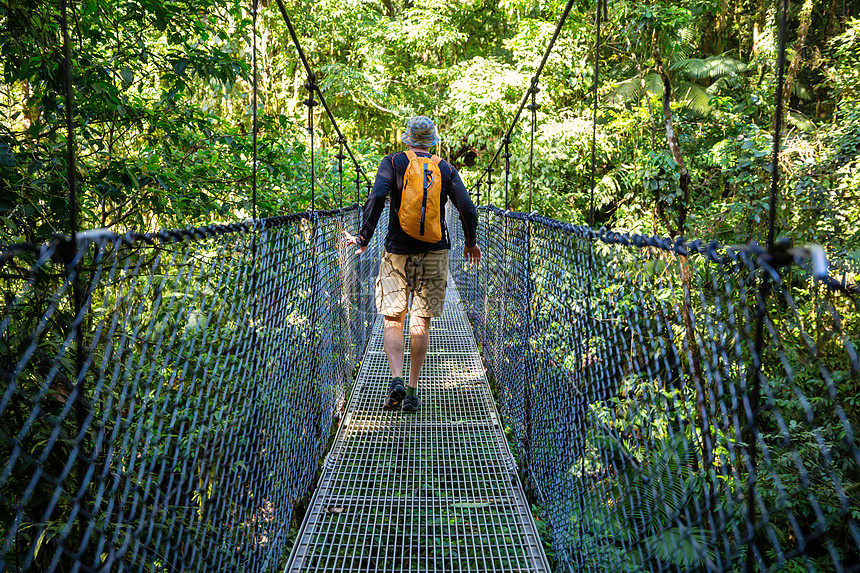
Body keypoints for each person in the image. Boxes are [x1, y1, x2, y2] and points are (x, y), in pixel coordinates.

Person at [344, 116, 480, 413]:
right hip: (434, 253)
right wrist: (471, 241)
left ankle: (397, 379)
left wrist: (363, 237)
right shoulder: (445, 168)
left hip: (396, 252)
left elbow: (378, 196)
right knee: (421, 322)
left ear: (406, 139)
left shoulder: (392, 162)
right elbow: (467, 208)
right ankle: (414, 390)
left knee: (393, 320)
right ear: (432, 141)